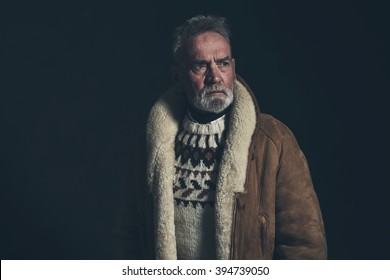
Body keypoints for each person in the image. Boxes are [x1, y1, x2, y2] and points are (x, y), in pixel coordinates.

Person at [114, 15, 327, 260]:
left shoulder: (273, 141)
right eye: (200, 66)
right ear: (177, 77)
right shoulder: (150, 146)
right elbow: (128, 238)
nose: (214, 76)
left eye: (223, 63)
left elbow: (304, 245)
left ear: (233, 70)